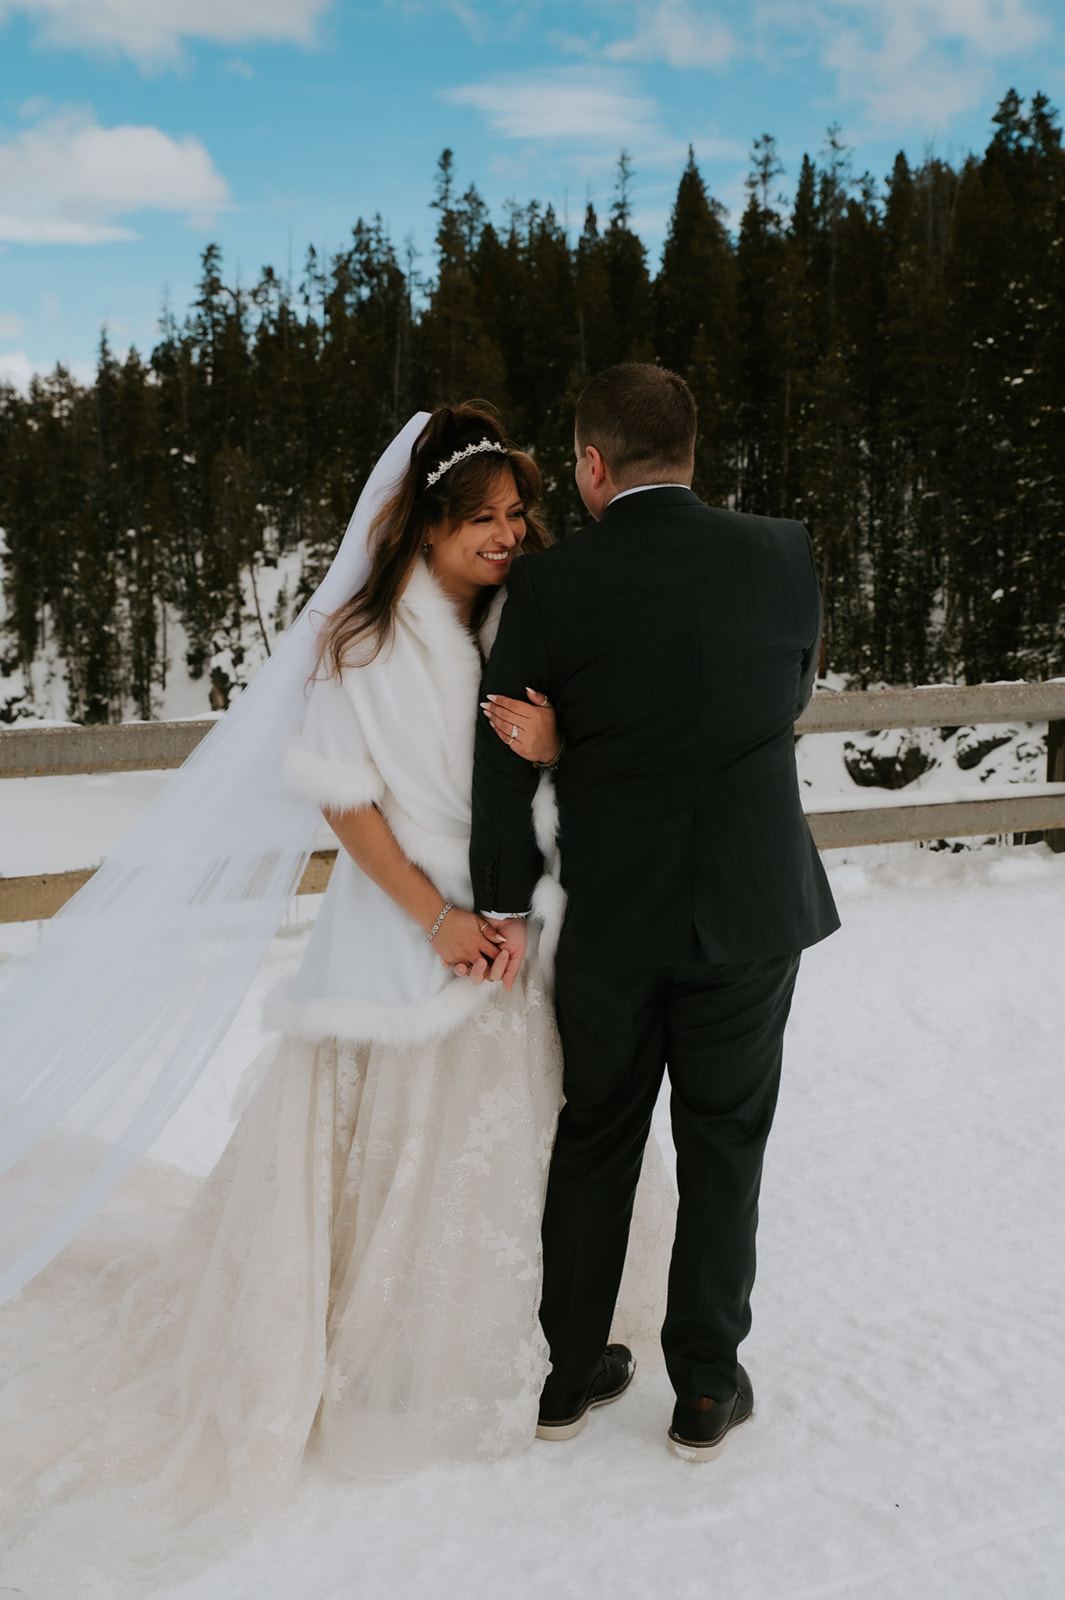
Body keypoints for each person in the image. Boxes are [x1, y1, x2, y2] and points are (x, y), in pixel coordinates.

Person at [0, 403, 671, 1589]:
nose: (511, 535)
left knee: (521, 1143)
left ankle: (524, 1337)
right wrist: (437, 916)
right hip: (407, 927)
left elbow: (571, 756)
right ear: (422, 527)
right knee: (392, 1145)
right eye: (484, 521)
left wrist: (554, 752)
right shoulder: (359, 645)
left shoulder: (528, 615)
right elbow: (345, 803)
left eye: (520, 513)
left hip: (520, 926)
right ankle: (385, 1357)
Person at [471, 363, 841, 1463]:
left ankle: (568, 1374)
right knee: (726, 1143)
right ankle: (706, 1390)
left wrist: (503, 901)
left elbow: (500, 758)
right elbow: (776, 702)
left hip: (615, 917)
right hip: (751, 902)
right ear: (689, 452)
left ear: (591, 465)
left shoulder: (546, 587)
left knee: (596, 1135)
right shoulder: (783, 554)